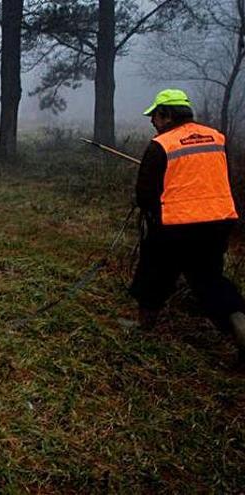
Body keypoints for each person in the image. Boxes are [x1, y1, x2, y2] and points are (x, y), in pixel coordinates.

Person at [131, 88, 245, 364]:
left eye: (155, 116)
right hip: (219, 223)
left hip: (176, 226)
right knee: (209, 280)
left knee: (153, 272)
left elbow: (145, 194)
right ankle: (240, 323)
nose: (152, 122)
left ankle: (143, 326)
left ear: (167, 115)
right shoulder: (217, 138)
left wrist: (150, 212)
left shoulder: (162, 145)